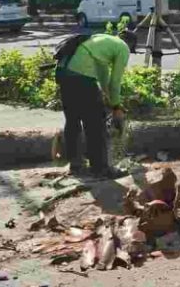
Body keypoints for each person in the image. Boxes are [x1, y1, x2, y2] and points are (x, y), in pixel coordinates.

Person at [56, 29, 136, 178]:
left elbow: (103, 77)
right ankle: (101, 169)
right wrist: (116, 106)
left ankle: (76, 165)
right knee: (95, 124)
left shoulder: (102, 42)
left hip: (63, 73)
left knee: (72, 121)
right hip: (81, 77)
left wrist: (107, 99)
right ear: (131, 44)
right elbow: (115, 81)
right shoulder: (123, 47)